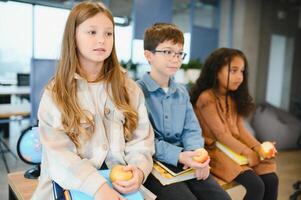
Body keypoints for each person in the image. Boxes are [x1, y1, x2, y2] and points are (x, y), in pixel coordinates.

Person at [31, 2, 154, 200]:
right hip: (70, 186)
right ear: (74, 37)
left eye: (108, 33)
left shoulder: (129, 88)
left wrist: (138, 171)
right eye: (92, 32)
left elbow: (142, 141)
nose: (101, 40)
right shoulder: (56, 93)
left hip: (123, 187)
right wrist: (98, 188)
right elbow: (58, 155)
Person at [137, 23, 230, 200]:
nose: (175, 58)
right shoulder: (136, 92)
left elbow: (191, 129)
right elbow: (143, 141)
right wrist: (180, 156)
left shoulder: (181, 92)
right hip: (152, 162)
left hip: (186, 158)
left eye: (179, 53)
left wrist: (197, 155)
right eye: (167, 52)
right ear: (148, 55)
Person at [190, 47, 279, 200]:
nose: (239, 76)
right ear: (217, 72)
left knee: (271, 179)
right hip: (214, 152)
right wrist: (247, 152)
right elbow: (221, 135)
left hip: (233, 149)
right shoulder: (206, 98)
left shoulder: (231, 98)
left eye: (242, 71)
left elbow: (242, 131)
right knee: (256, 185)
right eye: (234, 70)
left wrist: (258, 148)